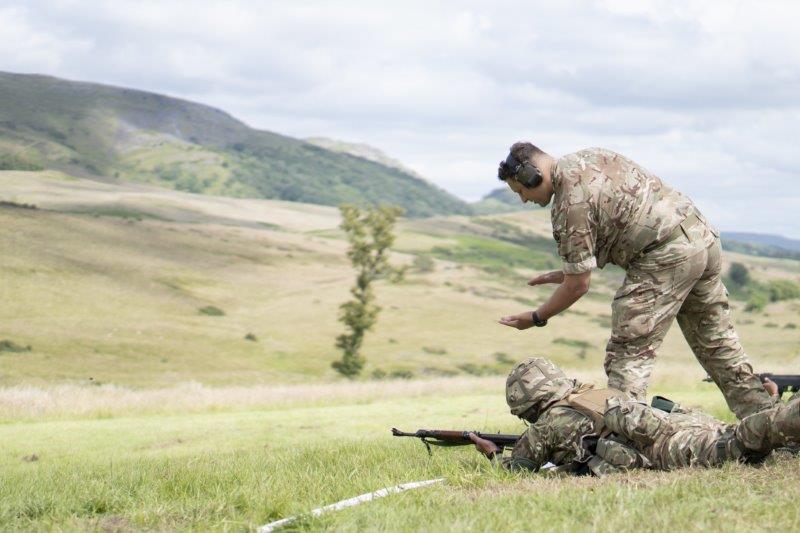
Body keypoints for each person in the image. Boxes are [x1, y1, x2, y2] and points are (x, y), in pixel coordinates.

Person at [495, 143, 775, 419]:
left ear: (531, 175)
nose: (523, 198)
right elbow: (621, 217)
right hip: (701, 238)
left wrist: (536, 317)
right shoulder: (590, 157)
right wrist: (568, 273)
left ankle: (623, 436)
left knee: (628, 351)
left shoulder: (569, 204)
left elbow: (578, 286)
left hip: (665, 255)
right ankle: (768, 423)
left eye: (520, 190)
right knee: (718, 344)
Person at [469, 357, 798, 475]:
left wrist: (492, 454)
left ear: (528, 405)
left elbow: (517, 471)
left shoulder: (546, 427)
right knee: (748, 437)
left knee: (744, 441)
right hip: (686, 421)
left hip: (671, 443)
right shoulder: (594, 394)